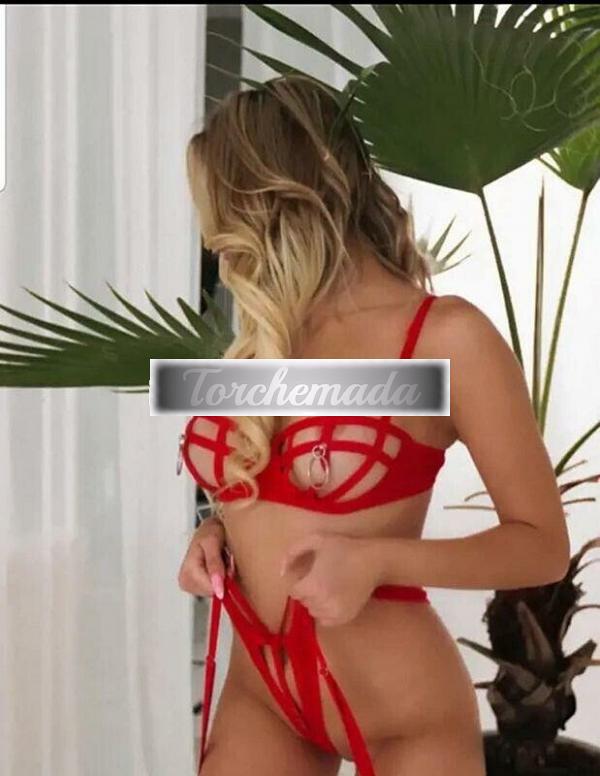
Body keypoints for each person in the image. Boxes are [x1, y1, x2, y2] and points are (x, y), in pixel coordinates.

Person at [177, 74, 570, 776]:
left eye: (224, 208)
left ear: (277, 196)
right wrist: (217, 535)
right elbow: (273, 493)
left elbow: (542, 547)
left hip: (402, 717)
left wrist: (378, 561)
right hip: (260, 697)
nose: (214, 237)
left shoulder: (446, 337)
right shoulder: (266, 335)